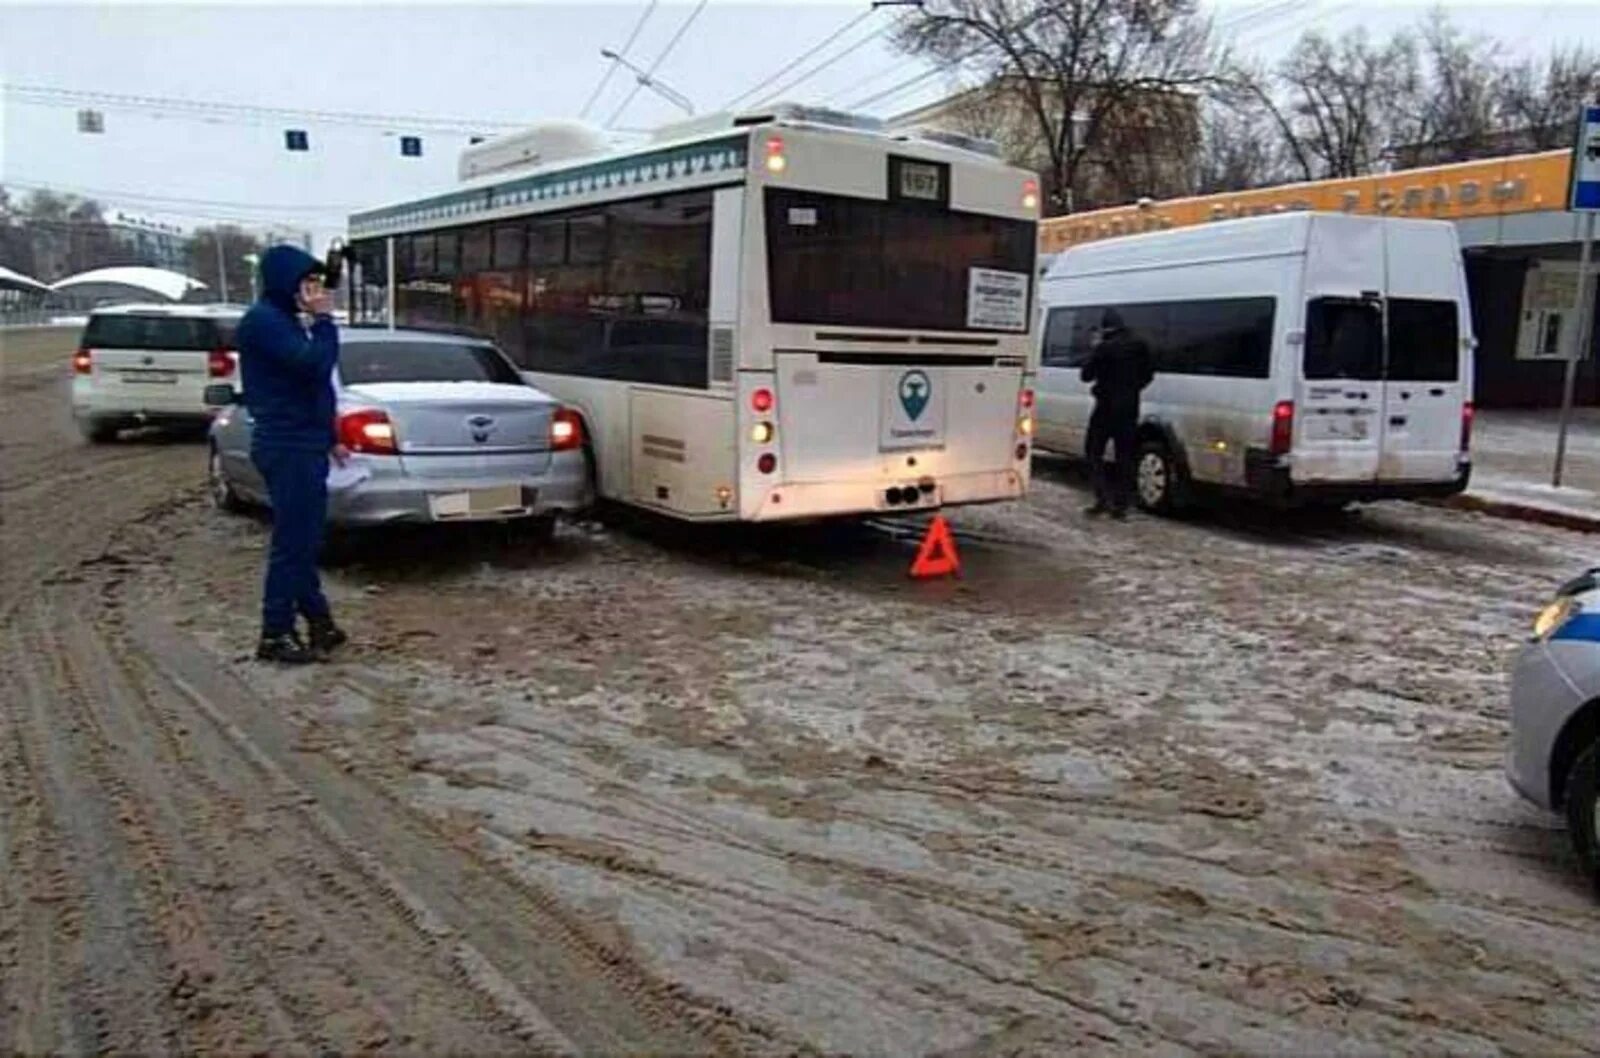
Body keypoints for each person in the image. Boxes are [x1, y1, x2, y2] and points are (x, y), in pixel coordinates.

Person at [237, 245, 349, 664]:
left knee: (303, 541)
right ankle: (275, 632)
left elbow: (313, 389)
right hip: (286, 446)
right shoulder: (265, 322)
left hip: (303, 442)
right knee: (293, 544)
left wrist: (328, 435)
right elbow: (313, 367)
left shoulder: (283, 321)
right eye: (309, 282)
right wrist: (324, 321)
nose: (316, 290)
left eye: (318, 283)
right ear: (288, 282)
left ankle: (319, 622)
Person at [1079, 308, 1154, 519]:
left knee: (1093, 452)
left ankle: (1102, 499)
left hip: (1105, 408)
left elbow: (1086, 375)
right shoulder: (1140, 345)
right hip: (1129, 408)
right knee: (1125, 456)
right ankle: (1121, 506)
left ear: (1105, 328)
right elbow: (1148, 375)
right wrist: (1131, 390)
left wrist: (1094, 349)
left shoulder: (1104, 348)